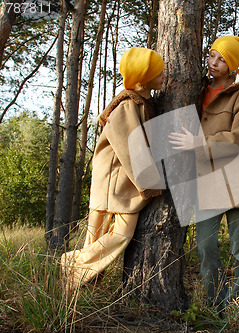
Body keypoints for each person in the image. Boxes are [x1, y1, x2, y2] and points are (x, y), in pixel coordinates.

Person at [61, 47, 166, 290]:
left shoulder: (141, 100)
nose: (164, 75)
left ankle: (79, 288)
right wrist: (150, 183)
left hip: (120, 181)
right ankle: (71, 266)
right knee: (118, 235)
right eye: (158, 72)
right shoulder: (127, 105)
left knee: (98, 239)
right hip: (113, 182)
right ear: (141, 81)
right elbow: (132, 148)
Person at [169, 35, 239, 317]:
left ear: (231, 65)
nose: (214, 63)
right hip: (206, 182)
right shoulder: (198, 90)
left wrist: (201, 145)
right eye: (212, 56)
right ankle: (217, 305)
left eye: (222, 59)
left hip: (237, 180)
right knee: (205, 247)